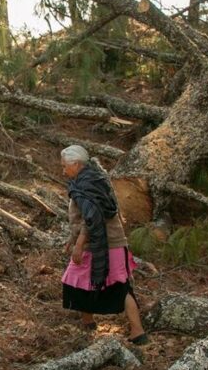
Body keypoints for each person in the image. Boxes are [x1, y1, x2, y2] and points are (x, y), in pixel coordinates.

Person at [60, 145, 147, 344]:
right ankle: (88, 323)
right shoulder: (91, 180)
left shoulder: (88, 184)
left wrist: (79, 244)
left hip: (107, 243)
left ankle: (137, 331)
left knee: (119, 286)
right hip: (99, 242)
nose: (63, 171)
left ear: (76, 164)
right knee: (80, 280)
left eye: (65, 166)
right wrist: (72, 241)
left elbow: (91, 219)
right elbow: (85, 218)